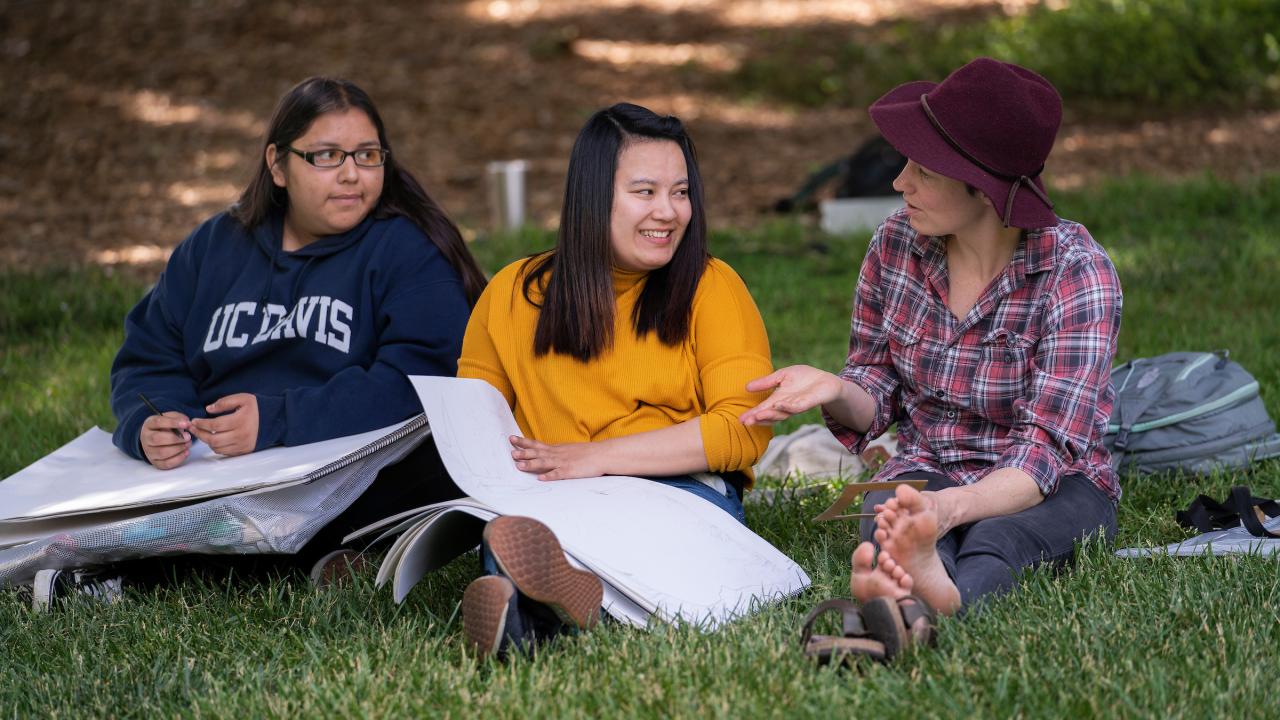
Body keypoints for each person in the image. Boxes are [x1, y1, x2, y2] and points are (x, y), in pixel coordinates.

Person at [741, 58, 1123, 628]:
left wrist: (949, 509)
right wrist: (835, 388)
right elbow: (878, 390)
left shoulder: (1076, 272)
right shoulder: (896, 244)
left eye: (923, 169)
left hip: (1051, 483)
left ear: (984, 188)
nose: (900, 183)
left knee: (999, 537)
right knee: (895, 519)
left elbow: (1044, 450)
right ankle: (916, 591)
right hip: (929, 462)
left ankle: (941, 604)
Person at [102, 76, 485, 584]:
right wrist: (153, 423)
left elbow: (420, 379)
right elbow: (150, 356)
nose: (351, 175)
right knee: (174, 509)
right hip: (221, 469)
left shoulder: (406, 250)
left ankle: (165, 568)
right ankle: (316, 558)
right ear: (277, 166)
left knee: (437, 462)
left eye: (367, 155)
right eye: (326, 156)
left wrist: (277, 420)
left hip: (348, 465)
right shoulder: (215, 246)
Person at [455, 102, 774, 656]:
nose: (670, 212)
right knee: (517, 534)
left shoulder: (712, 286)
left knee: (631, 538)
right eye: (646, 191)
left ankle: (539, 610)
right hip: (555, 497)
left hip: (679, 489)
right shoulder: (511, 292)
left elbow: (744, 430)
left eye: (680, 192)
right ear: (592, 196)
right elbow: (472, 425)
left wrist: (595, 457)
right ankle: (541, 602)